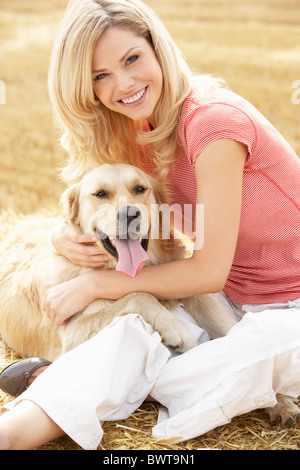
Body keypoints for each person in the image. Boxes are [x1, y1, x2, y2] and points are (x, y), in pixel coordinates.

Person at [0, 0, 300, 450]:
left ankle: (87, 379)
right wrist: (59, 234)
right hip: (228, 297)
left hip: (286, 301)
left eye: (131, 59)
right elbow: (111, 211)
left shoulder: (213, 123)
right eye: (100, 76)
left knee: (231, 344)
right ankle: (18, 429)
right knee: (132, 327)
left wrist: (94, 286)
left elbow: (206, 271)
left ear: (157, 47)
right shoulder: (140, 131)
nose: (123, 84)